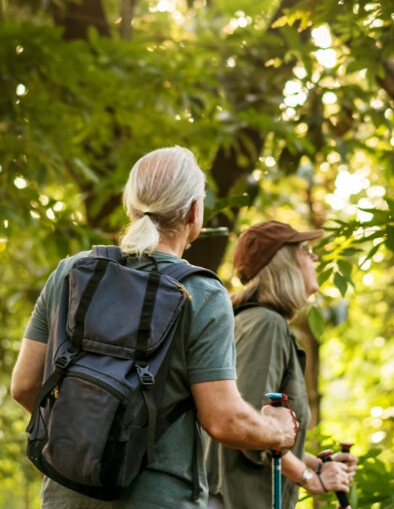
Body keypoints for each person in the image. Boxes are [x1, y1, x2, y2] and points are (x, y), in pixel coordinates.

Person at [11, 146, 298, 509]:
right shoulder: (200, 292)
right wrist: (278, 432)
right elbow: (223, 420)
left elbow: (24, 387)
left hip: (66, 496)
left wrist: (88, 439)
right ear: (195, 211)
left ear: (131, 205)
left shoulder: (71, 273)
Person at [205, 220, 357, 509]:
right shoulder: (265, 325)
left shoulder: (250, 323)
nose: (314, 257)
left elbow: (267, 435)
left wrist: (317, 466)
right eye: (305, 250)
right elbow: (248, 427)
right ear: (283, 263)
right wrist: (309, 478)